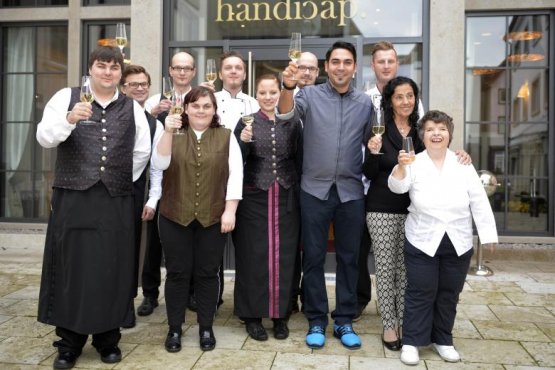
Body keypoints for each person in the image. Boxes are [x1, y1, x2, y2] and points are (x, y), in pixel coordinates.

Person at [36, 46, 151, 369]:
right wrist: (70, 120)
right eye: (102, 66)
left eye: (114, 68)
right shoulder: (65, 97)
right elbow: (44, 138)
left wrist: (117, 177)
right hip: (73, 198)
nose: (108, 72)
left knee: (111, 268)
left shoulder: (133, 108)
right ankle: (69, 343)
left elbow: (142, 152)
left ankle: (107, 339)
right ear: (91, 69)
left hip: (114, 199)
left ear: (120, 73)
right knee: (72, 267)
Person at [277, 41, 372, 350]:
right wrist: (288, 86)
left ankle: (343, 318)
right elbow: (286, 115)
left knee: (349, 259)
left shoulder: (365, 104)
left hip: (351, 191)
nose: (341, 67)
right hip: (314, 190)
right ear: (327, 66)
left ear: (354, 67)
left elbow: (376, 141)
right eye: (335, 62)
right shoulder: (309, 95)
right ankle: (317, 318)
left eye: (347, 62)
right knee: (314, 258)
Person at [389, 110, 498, 365]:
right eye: (430, 129)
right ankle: (412, 341)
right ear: (422, 136)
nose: (436, 134)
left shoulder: (463, 163)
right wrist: (401, 167)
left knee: (449, 293)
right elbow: (397, 187)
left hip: (458, 239)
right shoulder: (413, 161)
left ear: (449, 134)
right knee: (420, 291)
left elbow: (478, 200)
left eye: (441, 129)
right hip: (422, 237)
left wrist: (488, 233)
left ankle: (443, 340)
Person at [151, 86, 243, 353]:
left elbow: (235, 175)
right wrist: (168, 130)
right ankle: (175, 329)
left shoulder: (226, 136)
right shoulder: (170, 132)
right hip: (173, 216)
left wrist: (230, 211)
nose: (201, 110)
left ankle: (206, 327)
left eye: (206, 106)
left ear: (214, 110)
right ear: (186, 108)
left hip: (213, 217)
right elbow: (159, 164)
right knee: (177, 274)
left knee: (207, 274)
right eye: (195, 105)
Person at [233, 74, 303, 341]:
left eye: (273, 92)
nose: (268, 97)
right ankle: (252, 316)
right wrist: (244, 140)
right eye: (263, 92)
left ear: (279, 93)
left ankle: (280, 316)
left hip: (286, 195)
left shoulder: (292, 122)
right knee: (254, 256)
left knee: (285, 256)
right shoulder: (246, 121)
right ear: (256, 94)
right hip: (254, 196)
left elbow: (300, 158)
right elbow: (236, 160)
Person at [363, 76, 425, 352]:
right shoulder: (379, 130)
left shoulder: (423, 130)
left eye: (409, 95)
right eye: (399, 96)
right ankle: (390, 325)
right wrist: (373, 155)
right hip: (382, 209)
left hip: (415, 209)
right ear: (390, 100)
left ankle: (405, 321)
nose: (405, 101)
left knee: (407, 270)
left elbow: (434, 162)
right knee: (386, 268)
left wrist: (459, 155)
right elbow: (368, 173)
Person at [120, 65, 164, 319]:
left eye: (143, 84)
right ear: (123, 87)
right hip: (102, 193)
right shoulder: (109, 113)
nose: (139, 88)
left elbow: (157, 167)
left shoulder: (153, 123)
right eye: (133, 84)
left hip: (135, 191)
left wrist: (153, 198)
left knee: (133, 248)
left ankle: (127, 303)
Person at [290, 51, 319, 314]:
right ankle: (288, 297)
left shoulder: (324, 99)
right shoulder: (282, 96)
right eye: (302, 67)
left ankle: (309, 299)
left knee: (312, 247)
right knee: (289, 243)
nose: (307, 72)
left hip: (314, 183)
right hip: (287, 181)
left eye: (311, 69)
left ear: (318, 73)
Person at [366, 41, 424, 118]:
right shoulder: (364, 101)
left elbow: (421, 129)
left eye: (390, 61)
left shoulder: (412, 102)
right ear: (373, 66)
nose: (386, 66)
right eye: (381, 62)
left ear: (397, 65)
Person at [145, 51, 196, 124]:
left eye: (187, 68)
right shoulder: (153, 102)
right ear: (170, 71)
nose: (182, 73)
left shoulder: (201, 100)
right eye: (178, 68)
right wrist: (153, 113)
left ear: (194, 72)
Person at [214, 51, 259, 131]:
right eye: (228, 68)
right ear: (220, 75)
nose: (233, 71)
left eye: (238, 68)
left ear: (244, 75)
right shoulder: (210, 101)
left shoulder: (254, 104)